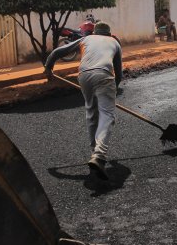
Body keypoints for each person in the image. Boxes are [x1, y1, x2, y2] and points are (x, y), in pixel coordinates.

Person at [44, 21, 123, 180]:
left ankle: (94, 152)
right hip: (104, 74)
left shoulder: (85, 40)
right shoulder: (114, 42)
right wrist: (112, 90)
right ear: (108, 34)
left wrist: (48, 67)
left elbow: (57, 52)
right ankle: (99, 156)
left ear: (94, 32)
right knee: (107, 115)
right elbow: (119, 73)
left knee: (91, 113)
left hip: (84, 76)